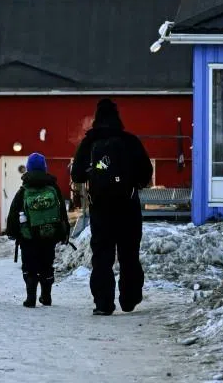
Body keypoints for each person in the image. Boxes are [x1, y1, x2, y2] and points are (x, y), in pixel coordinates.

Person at [70, 99, 153, 316]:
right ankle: (130, 298)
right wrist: (132, 182)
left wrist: (95, 174)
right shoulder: (130, 141)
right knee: (129, 254)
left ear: (97, 118)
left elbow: (76, 174)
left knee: (102, 256)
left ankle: (103, 303)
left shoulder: (89, 143)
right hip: (128, 206)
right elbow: (146, 172)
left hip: (101, 208)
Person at [6, 153, 70, 308]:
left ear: (28, 168)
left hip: (29, 237)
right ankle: (46, 296)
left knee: (29, 266)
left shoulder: (24, 189)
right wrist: (63, 232)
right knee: (47, 265)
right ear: (44, 168)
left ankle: (31, 298)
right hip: (49, 236)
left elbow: (14, 213)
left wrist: (13, 233)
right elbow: (62, 211)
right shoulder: (53, 187)